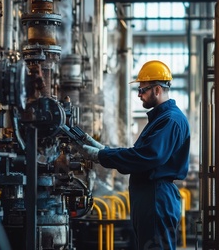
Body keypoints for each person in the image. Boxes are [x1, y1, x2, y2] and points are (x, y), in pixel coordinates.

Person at [81, 60, 191, 250]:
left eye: (143, 90)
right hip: (150, 197)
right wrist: (105, 150)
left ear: (157, 90)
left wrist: (102, 156)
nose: (139, 95)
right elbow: (140, 153)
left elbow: (147, 156)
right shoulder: (161, 118)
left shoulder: (170, 120)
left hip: (156, 198)